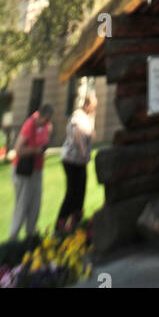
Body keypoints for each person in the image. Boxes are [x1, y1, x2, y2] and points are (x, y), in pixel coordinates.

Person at [9, 103, 53, 240]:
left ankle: (30, 234)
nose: (48, 121)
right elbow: (18, 149)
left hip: (37, 170)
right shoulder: (30, 124)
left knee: (35, 203)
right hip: (24, 170)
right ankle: (13, 237)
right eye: (47, 118)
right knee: (22, 204)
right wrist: (35, 150)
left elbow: (45, 140)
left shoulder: (46, 126)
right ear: (42, 115)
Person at [56, 93, 96, 233]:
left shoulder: (88, 118)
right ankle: (60, 224)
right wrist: (83, 150)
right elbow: (77, 132)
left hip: (81, 161)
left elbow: (91, 134)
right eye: (92, 106)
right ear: (87, 105)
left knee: (80, 191)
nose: (93, 109)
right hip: (72, 159)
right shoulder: (78, 115)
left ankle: (75, 222)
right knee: (73, 191)